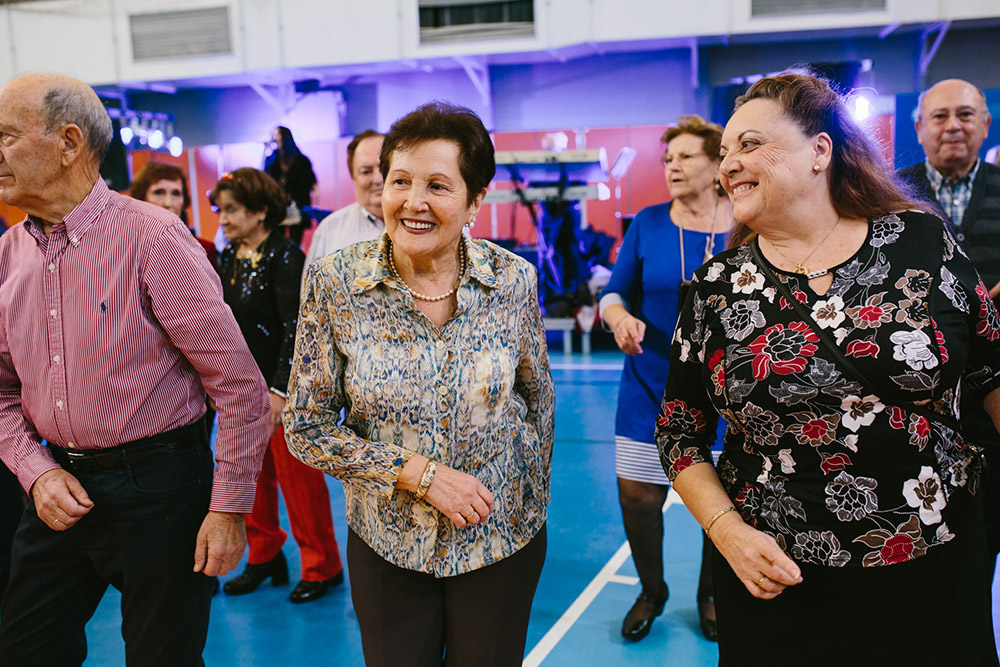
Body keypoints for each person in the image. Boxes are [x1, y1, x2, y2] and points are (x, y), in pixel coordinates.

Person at [656, 72, 1000, 666]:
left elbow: (991, 374)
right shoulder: (714, 289)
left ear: (820, 151)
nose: (728, 165)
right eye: (725, 152)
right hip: (779, 581)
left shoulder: (919, 241)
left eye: (750, 144)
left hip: (934, 564)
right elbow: (679, 433)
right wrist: (728, 533)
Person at [0, 72, 271, 665]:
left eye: (7, 136)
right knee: (24, 648)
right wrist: (35, 471)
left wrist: (228, 509)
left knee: (162, 657)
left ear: (68, 143)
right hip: (56, 482)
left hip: (162, 488)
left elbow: (239, 386)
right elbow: (0, 393)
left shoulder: (153, 237)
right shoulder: (10, 252)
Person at [284, 101, 554, 666]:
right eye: (399, 181)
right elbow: (305, 426)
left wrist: (524, 500)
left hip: (499, 540)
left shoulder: (513, 281)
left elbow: (537, 398)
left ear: (475, 200)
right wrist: (419, 476)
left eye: (438, 185)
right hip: (389, 541)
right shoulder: (337, 284)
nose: (413, 202)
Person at [599, 114, 731, 642]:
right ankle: (652, 591)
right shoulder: (648, 223)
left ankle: (711, 593)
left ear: (718, 163)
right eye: (667, 159)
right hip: (649, 385)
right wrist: (618, 319)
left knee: (721, 501)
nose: (672, 166)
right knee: (638, 495)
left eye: (685, 157)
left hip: (726, 393)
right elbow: (613, 291)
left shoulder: (746, 220)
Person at [212, 168, 344, 603]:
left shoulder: (286, 257)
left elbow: (296, 326)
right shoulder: (228, 256)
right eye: (222, 209)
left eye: (232, 209)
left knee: (298, 481)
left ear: (261, 212)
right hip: (242, 390)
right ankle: (264, 554)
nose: (224, 218)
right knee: (250, 476)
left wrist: (280, 391)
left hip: (284, 389)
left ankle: (322, 564)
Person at [898, 78, 1000, 570]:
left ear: (985, 124)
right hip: (920, 404)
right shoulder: (889, 198)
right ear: (919, 128)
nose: (953, 126)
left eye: (965, 114)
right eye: (940, 116)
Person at [304, 130, 385, 268]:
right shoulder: (329, 230)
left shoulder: (422, 226)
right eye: (366, 171)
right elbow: (309, 288)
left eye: (384, 168)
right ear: (353, 176)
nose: (378, 179)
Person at [129, 161, 217, 265]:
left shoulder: (204, 250)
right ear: (141, 198)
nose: (168, 203)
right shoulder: (126, 251)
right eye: (159, 192)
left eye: (176, 194)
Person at [264, 126, 317, 245]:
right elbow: (265, 180)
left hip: (296, 205)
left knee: (296, 242)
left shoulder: (301, 159)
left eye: (278, 134)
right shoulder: (271, 160)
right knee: (277, 241)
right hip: (277, 207)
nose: (275, 138)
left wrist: (314, 191)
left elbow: (310, 180)